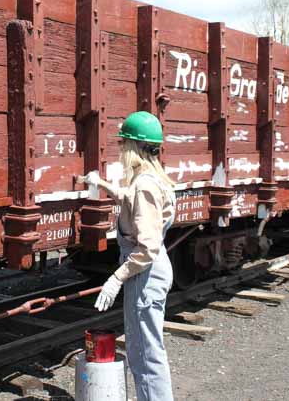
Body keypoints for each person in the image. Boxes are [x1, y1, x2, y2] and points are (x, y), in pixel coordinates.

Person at [81, 111, 176, 401]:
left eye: (123, 144)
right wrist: (106, 186)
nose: (120, 150)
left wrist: (116, 278)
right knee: (147, 349)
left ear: (133, 148)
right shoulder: (155, 179)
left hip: (144, 273)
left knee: (144, 354)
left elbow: (146, 248)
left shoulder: (144, 185)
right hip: (153, 271)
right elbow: (135, 202)